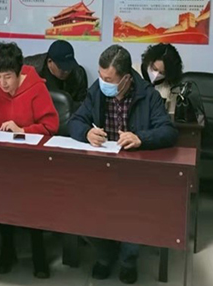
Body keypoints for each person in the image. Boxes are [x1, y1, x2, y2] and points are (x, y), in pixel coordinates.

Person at [69, 45, 177, 284]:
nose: (102, 82)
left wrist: (141, 138)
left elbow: (168, 132)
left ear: (126, 78)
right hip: (100, 169)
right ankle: (105, 255)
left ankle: (128, 260)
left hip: (134, 172)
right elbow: (74, 121)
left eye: (109, 79)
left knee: (133, 211)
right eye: (100, 75)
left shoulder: (148, 95)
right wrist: (86, 132)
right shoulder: (97, 90)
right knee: (77, 206)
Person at [0, 42, 58, 278]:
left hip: (32, 163)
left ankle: (39, 255)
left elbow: (51, 126)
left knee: (32, 204)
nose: (2, 83)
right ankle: (6, 251)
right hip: (0, 160)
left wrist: (22, 130)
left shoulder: (36, 88)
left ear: (19, 72)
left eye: (7, 77)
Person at [24, 39, 88, 109]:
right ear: (49, 62)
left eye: (69, 67)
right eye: (61, 67)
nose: (66, 71)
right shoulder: (30, 70)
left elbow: (82, 106)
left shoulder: (78, 74)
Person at [135, 43, 184, 113]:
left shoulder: (172, 88)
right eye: (154, 68)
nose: (156, 75)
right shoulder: (133, 72)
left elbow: (171, 114)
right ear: (149, 61)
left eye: (162, 73)